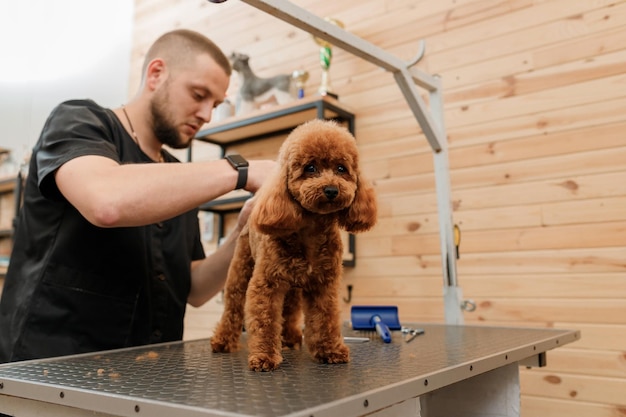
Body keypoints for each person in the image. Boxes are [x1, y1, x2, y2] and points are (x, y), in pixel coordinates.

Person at [0, 29, 275, 363]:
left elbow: (197, 289)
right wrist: (242, 171)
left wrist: (243, 230)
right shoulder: (77, 121)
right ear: (156, 74)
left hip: (149, 374)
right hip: (51, 372)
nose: (206, 115)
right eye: (198, 95)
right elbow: (106, 202)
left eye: (215, 104)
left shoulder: (174, 173)